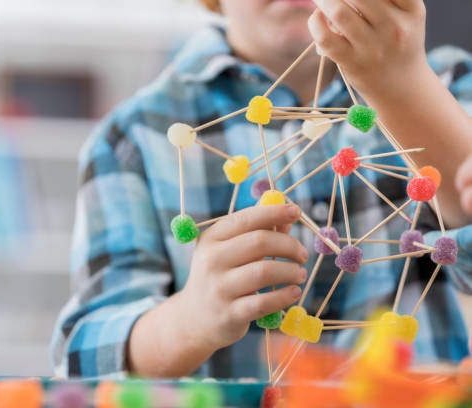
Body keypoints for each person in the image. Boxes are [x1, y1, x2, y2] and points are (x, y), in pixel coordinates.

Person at [51, 0, 472, 379]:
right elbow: (84, 357)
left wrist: (404, 85)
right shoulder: (134, 137)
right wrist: (189, 321)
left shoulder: (452, 88)